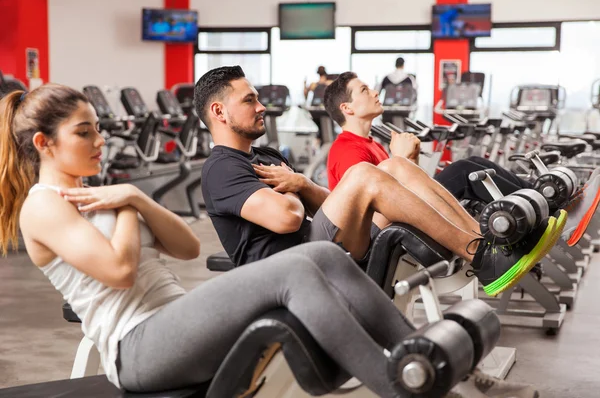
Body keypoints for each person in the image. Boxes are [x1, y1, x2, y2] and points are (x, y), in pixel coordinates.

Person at [0, 84, 484, 398]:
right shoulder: (43, 204)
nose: (100, 140)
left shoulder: (95, 194)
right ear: (45, 143)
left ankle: (438, 369)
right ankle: (405, 391)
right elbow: (119, 270)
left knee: (319, 252)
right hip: (137, 349)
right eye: (85, 132)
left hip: (174, 323)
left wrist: (138, 201)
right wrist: (129, 201)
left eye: (99, 129)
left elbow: (187, 247)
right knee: (297, 269)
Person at [197, 66, 562, 298]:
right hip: (287, 270)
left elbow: (322, 204)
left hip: (319, 247)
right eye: (250, 100)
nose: (262, 106)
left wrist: (302, 184)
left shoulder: (268, 155)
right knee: (365, 174)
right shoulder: (221, 168)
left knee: (395, 169)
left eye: (259, 98)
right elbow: (288, 219)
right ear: (219, 112)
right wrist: (295, 191)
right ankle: (480, 254)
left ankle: (488, 249)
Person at [324, 71, 599, 248]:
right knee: (466, 170)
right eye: (364, 90)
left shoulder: (370, 142)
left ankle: (552, 206)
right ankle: (551, 213)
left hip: (401, 212)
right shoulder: (349, 151)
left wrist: (410, 159)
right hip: (376, 234)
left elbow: (403, 186)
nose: (374, 92)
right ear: (346, 108)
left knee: (478, 164)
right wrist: (400, 158)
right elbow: (372, 210)